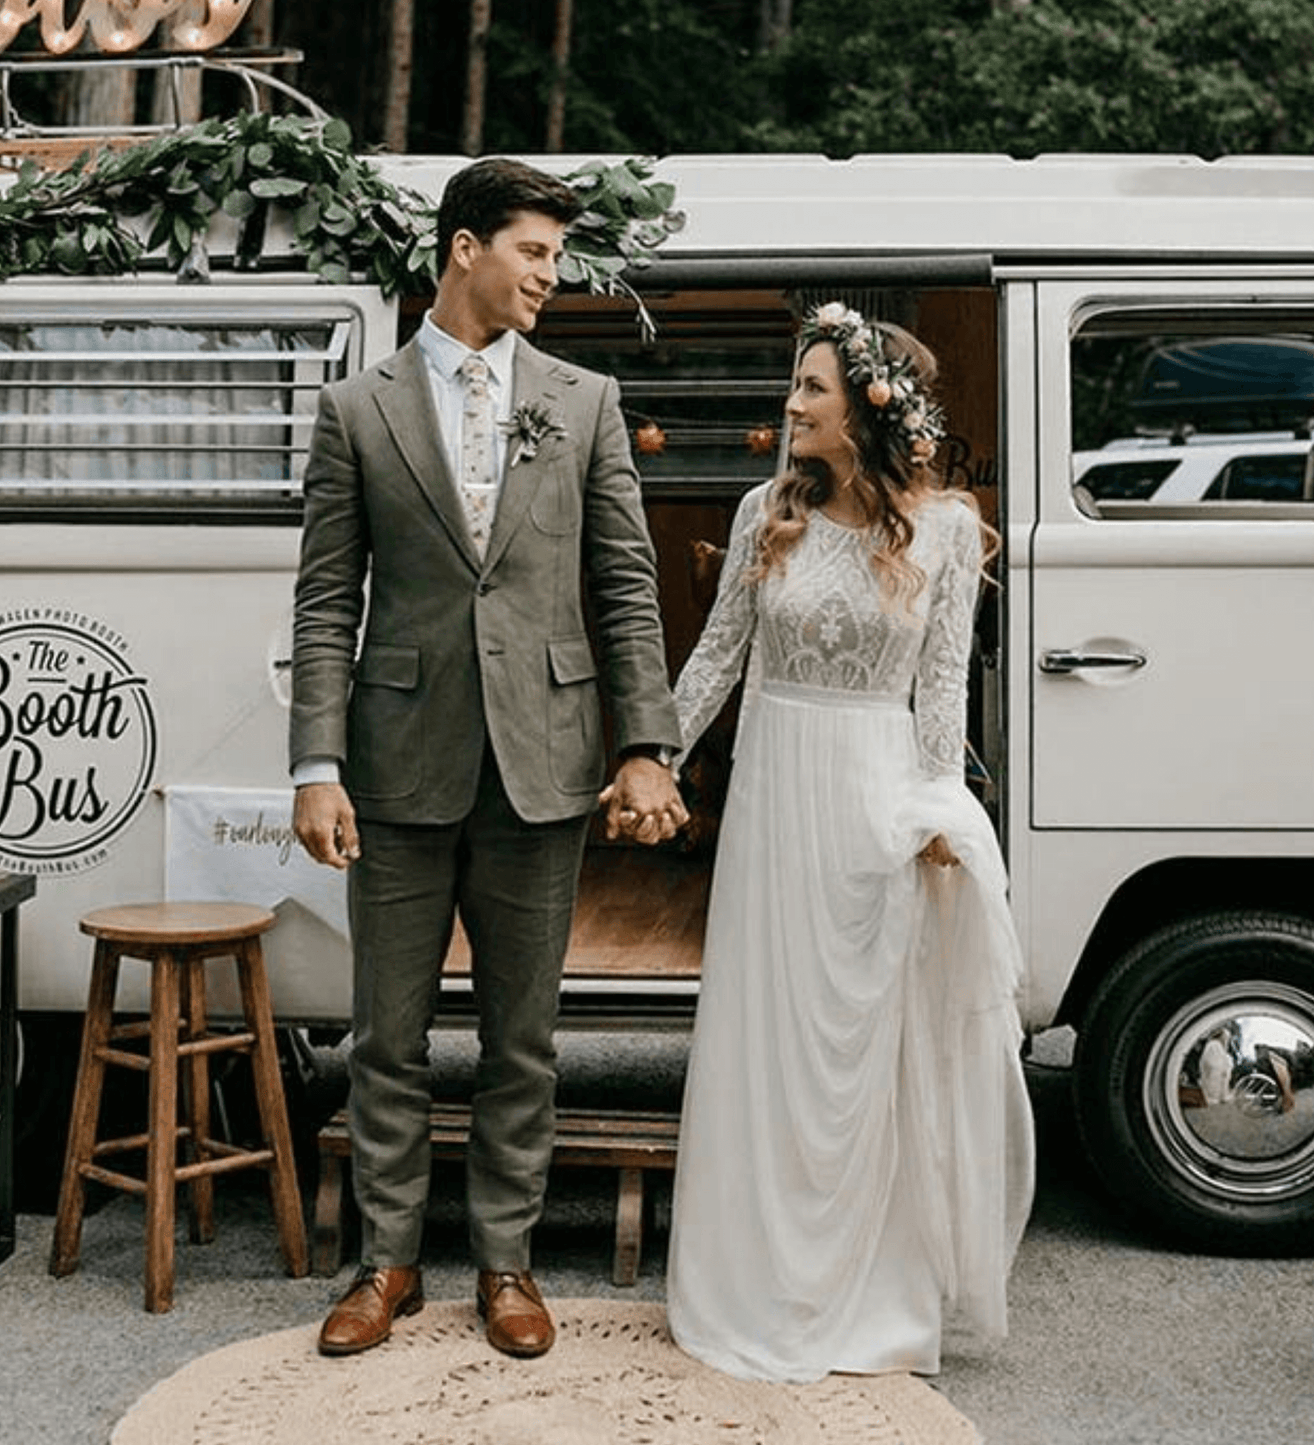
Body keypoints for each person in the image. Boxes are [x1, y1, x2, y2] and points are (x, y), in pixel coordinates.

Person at [289, 157, 686, 1362]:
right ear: (463, 247)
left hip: (543, 760)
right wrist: (316, 761)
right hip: (397, 756)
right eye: (533, 252)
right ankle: (387, 1261)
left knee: (523, 1034)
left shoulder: (585, 399)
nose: (548, 278)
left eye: (555, 258)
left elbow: (623, 582)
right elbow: (323, 604)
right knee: (386, 1034)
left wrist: (645, 744)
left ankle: (505, 1261)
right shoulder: (356, 408)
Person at [665, 301, 1036, 1381]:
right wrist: (651, 758)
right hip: (773, 795)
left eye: (810, 389)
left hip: (873, 810)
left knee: (862, 1050)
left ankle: (865, 1293)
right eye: (795, 386)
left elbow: (939, 700)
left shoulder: (947, 529)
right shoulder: (759, 512)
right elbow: (714, 661)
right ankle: (750, 1283)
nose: (789, 404)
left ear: (871, 407)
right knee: (763, 1035)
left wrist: (932, 814)